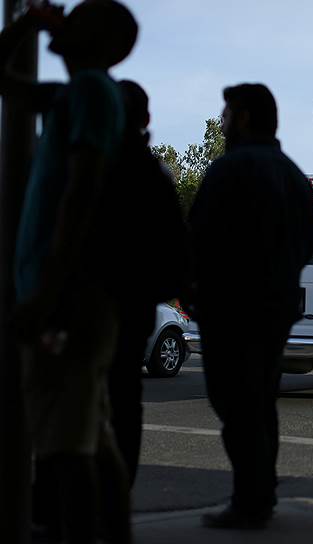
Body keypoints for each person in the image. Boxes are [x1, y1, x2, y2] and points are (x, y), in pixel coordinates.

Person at [1, 2, 137, 542]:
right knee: (87, 439)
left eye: (77, 18)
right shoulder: (75, 96)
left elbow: (80, 196)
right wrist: (29, 24)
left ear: (99, 41)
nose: (65, 17)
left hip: (67, 300)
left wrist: (47, 296)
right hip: (72, 296)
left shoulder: (88, 94)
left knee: (63, 452)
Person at [188, 83, 313, 529]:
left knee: (236, 404)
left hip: (230, 310)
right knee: (261, 402)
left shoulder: (230, 170)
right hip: (275, 310)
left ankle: (251, 499)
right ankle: (261, 493)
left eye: (226, 112)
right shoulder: (295, 177)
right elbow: (304, 248)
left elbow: (198, 242)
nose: (221, 121)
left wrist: (194, 294)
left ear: (242, 118)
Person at [105, 79, 188, 487]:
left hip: (87, 305)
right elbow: (176, 250)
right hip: (135, 305)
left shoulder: (89, 163)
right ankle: (117, 494)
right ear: (147, 119)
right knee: (123, 403)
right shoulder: (155, 174)